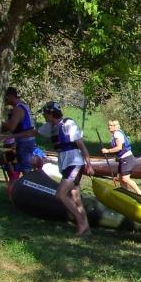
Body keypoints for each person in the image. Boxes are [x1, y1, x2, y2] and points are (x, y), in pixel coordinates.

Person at [36, 101, 94, 236]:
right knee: (75, 197)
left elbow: (81, 144)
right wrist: (11, 136)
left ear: (51, 113)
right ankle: (87, 230)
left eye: (45, 113)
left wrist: (89, 164)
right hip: (65, 164)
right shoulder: (50, 126)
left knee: (60, 194)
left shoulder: (68, 124)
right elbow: (33, 132)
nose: (43, 116)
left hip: (74, 163)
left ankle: (81, 223)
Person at [1, 87, 37, 185]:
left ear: (12, 96)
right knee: (21, 167)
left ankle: (29, 190)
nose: (5, 100)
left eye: (6, 97)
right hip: (26, 140)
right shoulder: (24, 105)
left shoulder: (18, 108)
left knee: (25, 168)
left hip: (25, 141)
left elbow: (11, 127)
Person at [100, 119, 141, 195]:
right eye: (108, 125)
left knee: (125, 178)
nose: (109, 127)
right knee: (121, 179)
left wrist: (107, 151)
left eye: (111, 125)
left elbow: (119, 147)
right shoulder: (115, 134)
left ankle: (140, 193)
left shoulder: (117, 134)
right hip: (122, 159)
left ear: (115, 126)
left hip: (127, 158)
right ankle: (125, 194)